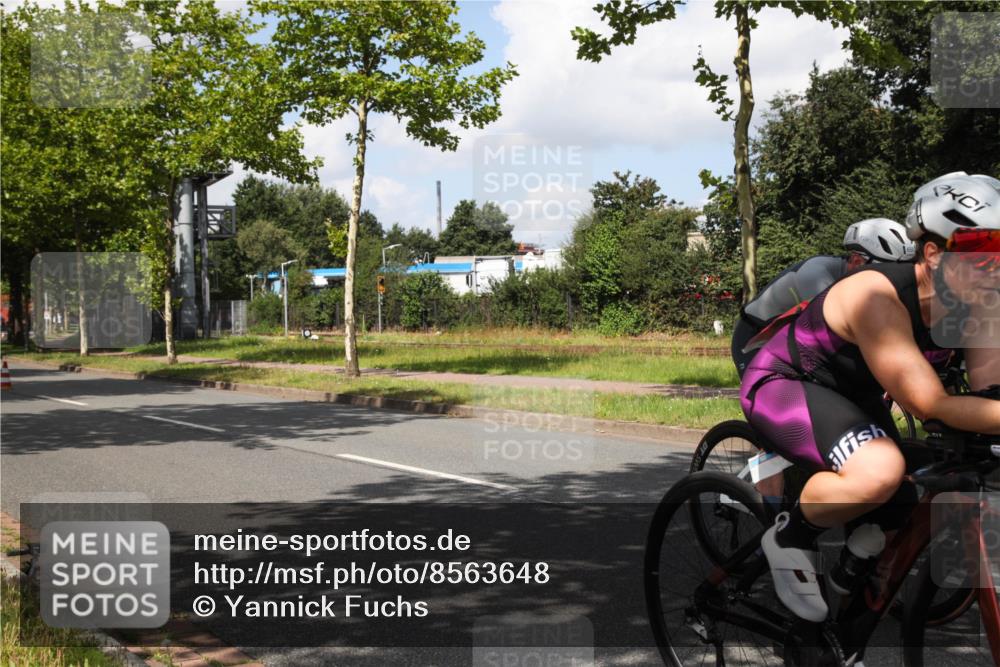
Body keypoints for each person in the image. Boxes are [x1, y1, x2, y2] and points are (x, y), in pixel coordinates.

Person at [740, 174, 1000, 622]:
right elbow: (931, 406)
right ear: (935, 255)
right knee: (880, 470)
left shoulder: (981, 306)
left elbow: (988, 395)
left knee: (913, 490)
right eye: (983, 250)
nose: (995, 265)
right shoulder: (875, 295)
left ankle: (845, 604)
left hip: (856, 398)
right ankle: (789, 535)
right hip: (786, 383)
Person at [731, 218, 916, 378]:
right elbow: (833, 333)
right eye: (885, 271)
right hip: (753, 337)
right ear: (858, 261)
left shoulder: (854, 281)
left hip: (789, 340)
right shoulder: (817, 275)